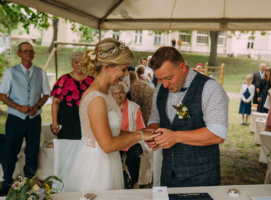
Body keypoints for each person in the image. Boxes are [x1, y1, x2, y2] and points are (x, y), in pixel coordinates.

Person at [54, 38, 158, 192]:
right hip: (97, 166)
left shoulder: (106, 92)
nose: (125, 75)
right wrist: (139, 137)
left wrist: (139, 132)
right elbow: (107, 144)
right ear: (107, 67)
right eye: (123, 69)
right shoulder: (96, 98)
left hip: (107, 160)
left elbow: (110, 131)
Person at [146, 46, 229, 187]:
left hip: (201, 177)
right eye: (160, 79)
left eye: (168, 78)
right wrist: (152, 134)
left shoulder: (210, 88)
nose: (165, 85)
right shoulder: (160, 89)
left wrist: (176, 137)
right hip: (168, 174)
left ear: (182, 67)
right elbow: (155, 119)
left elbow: (217, 134)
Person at [0, 42, 50, 196]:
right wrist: (17, 107)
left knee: (33, 151)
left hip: (34, 118)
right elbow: (2, 94)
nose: (29, 53)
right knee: (10, 150)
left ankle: (30, 182)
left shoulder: (40, 72)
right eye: (25, 51)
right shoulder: (10, 72)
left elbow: (46, 94)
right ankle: (7, 181)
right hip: (15, 118)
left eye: (31, 51)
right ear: (19, 54)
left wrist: (37, 106)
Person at [50, 51, 94, 139]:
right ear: (72, 63)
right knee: (67, 145)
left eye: (82, 62)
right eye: (76, 62)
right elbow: (55, 102)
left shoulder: (92, 80)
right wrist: (55, 122)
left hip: (87, 118)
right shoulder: (63, 79)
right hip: (66, 119)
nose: (79, 65)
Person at [110, 81, 145, 189]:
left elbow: (140, 129)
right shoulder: (109, 109)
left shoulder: (134, 107)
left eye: (120, 92)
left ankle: (135, 183)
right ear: (112, 95)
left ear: (125, 93)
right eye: (115, 93)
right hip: (116, 141)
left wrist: (133, 136)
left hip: (132, 141)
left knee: (132, 158)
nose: (118, 96)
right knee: (112, 158)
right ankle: (119, 184)